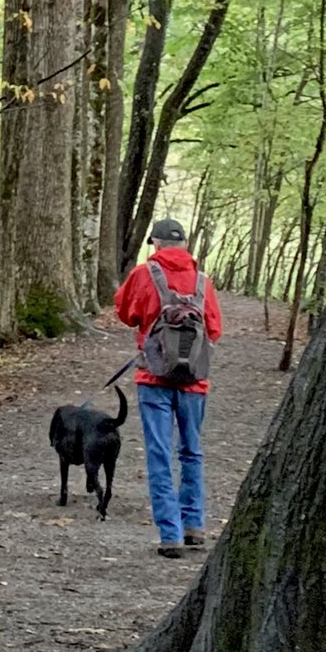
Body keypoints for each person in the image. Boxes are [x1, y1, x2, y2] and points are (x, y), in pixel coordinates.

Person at [114, 218, 223, 558]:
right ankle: (195, 525)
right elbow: (215, 329)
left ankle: (170, 534)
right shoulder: (203, 281)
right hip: (195, 381)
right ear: (184, 244)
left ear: (156, 244)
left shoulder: (145, 274)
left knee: (160, 454)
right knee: (192, 452)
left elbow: (125, 311)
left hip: (154, 379)